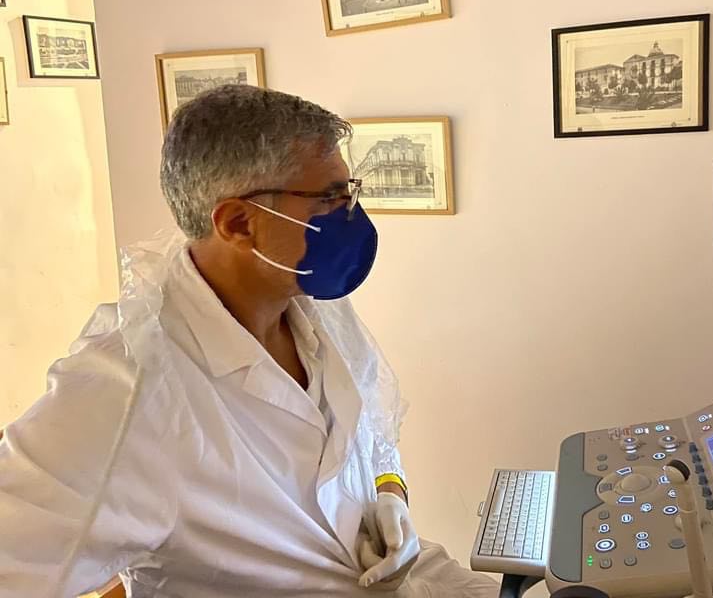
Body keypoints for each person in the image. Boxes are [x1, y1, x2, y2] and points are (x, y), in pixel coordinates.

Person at [0, 85, 498, 597]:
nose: (350, 213)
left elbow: (371, 425)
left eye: (349, 191)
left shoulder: (313, 304)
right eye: (329, 197)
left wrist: (389, 491)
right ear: (239, 223)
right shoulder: (125, 392)